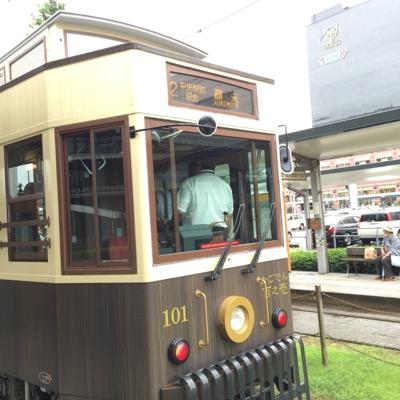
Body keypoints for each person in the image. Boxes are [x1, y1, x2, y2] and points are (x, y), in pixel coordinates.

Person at [177, 160, 234, 241]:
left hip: (194, 236)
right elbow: (228, 216)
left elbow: (180, 212)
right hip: (219, 236)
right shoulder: (225, 185)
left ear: (198, 165)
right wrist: (229, 238)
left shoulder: (190, 183)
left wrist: (172, 228)